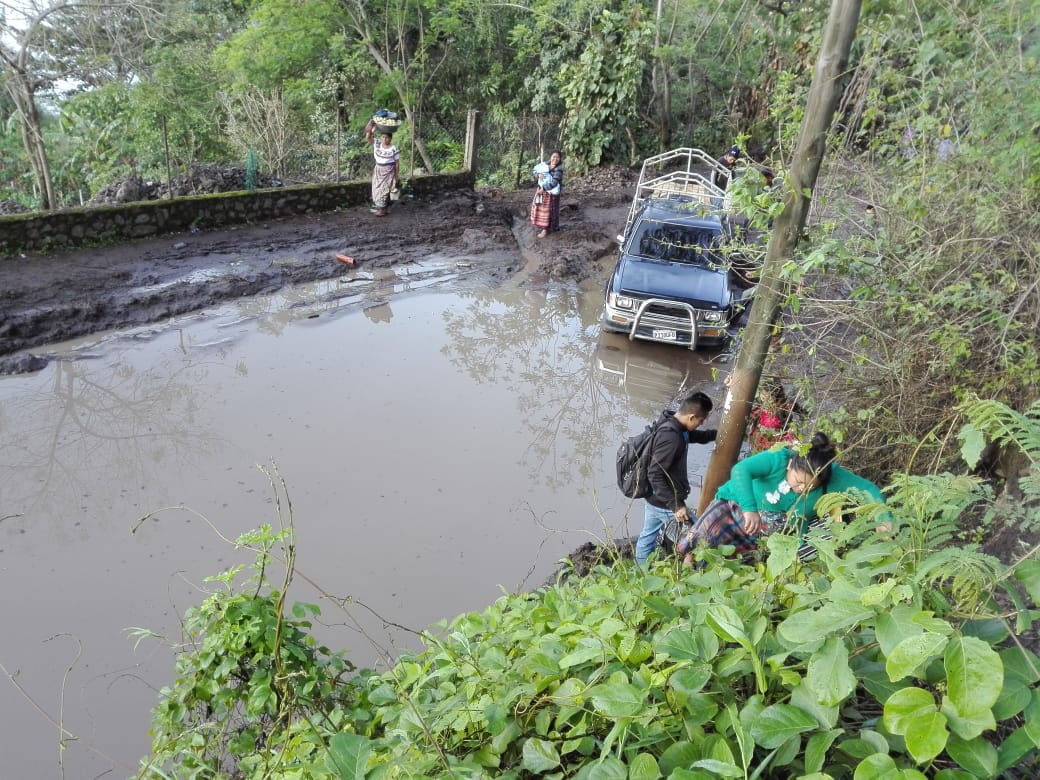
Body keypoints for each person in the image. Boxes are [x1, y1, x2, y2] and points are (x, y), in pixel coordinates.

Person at [677, 432, 885, 565]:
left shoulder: (832, 475)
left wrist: (883, 520)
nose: (801, 488)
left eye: (809, 486)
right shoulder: (778, 459)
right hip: (735, 508)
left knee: (737, 563)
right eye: (797, 480)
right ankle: (688, 564)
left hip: (771, 533)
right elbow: (741, 470)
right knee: (699, 543)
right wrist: (750, 509)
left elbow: (869, 490)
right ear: (790, 466)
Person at [634, 391, 717, 565]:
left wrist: (715, 434)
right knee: (699, 537)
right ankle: (698, 573)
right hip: (665, 502)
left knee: (647, 536)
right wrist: (676, 506)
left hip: (653, 498)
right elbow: (654, 474)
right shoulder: (671, 438)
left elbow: (692, 436)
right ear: (692, 416)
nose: (700, 425)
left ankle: (640, 573)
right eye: (700, 421)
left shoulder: (673, 423)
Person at [364, 118, 400, 217]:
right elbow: (368, 137)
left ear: (390, 138)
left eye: (387, 137)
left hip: (389, 171)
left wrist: (396, 176)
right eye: (383, 137)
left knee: (385, 190)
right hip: (378, 170)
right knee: (377, 189)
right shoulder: (377, 143)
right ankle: (384, 208)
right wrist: (371, 128)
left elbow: (397, 163)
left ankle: (382, 210)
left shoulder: (394, 149)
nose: (384, 139)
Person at [530, 150, 564, 238]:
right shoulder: (544, 165)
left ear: (560, 159)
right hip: (542, 191)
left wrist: (544, 188)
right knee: (542, 209)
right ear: (550, 157)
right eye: (554, 157)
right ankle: (548, 227)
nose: (555, 159)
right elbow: (534, 171)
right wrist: (538, 175)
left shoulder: (559, 169)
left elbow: (555, 182)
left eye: (557, 157)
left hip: (551, 193)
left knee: (550, 210)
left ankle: (546, 229)